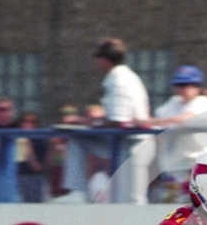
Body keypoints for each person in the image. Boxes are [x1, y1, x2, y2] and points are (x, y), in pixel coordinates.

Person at [61, 38, 155, 204]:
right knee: (77, 138)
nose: (96, 61)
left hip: (133, 145)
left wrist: (89, 123)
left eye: (97, 57)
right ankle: (77, 193)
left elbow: (119, 121)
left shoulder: (119, 78)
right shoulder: (123, 75)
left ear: (104, 59)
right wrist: (88, 120)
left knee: (134, 200)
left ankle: (78, 193)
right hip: (125, 142)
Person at [150, 65, 207, 197]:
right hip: (172, 170)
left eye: (188, 84)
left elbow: (185, 119)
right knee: (171, 213)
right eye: (179, 85)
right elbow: (158, 118)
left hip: (196, 169)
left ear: (198, 86)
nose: (183, 89)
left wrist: (154, 122)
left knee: (194, 213)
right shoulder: (174, 102)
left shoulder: (204, 102)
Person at [16, 112, 49, 202]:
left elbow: (38, 168)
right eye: (26, 121)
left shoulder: (40, 141)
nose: (28, 124)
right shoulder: (14, 138)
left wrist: (29, 149)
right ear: (20, 123)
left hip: (33, 179)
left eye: (32, 122)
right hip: (16, 178)